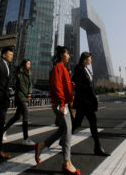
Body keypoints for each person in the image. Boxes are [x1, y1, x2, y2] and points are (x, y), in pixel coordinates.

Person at [34, 46, 80, 175]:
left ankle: (41, 146)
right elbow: (56, 86)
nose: (69, 56)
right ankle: (67, 162)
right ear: (61, 55)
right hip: (61, 104)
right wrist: (61, 103)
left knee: (63, 129)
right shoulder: (57, 68)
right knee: (68, 131)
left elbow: (63, 85)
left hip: (63, 103)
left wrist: (71, 85)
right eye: (67, 54)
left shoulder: (63, 69)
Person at [72, 52, 109, 156]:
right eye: (90, 58)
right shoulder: (78, 68)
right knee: (93, 122)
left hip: (88, 100)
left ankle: (63, 138)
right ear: (85, 59)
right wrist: (86, 87)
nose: (91, 60)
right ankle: (97, 148)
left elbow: (90, 83)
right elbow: (75, 81)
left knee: (77, 123)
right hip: (84, 100)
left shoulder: (87, 69)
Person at [3, 58, 34, 145]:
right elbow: (21, 84)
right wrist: (26, 93)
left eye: (30, 64)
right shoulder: (19, 72)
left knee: (17, 116)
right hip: (20, 96)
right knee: (25, 115)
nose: (29, 65)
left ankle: (3, 130)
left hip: (25, 96)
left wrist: (30, 92)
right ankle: (25, 138)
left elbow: (30, 84)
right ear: (24, 64)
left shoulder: (29, 73)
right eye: (28, 64)